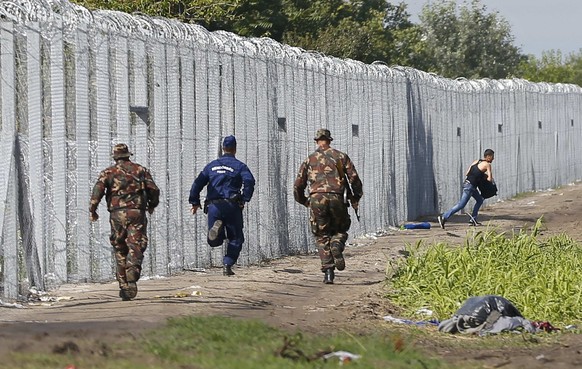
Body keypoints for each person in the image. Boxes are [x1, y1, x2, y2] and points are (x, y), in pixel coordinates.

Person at [89, 143, 160, 301]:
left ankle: (123, 284)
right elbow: (153, 189)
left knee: (119, 246)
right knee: (136, 243)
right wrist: (152, 204)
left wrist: (92, 210)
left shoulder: (108, 172)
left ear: (115, 157)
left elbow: (97, 190)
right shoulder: (140, 170)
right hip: (136, 212)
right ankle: (132, 271)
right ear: (128, 155)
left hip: (117, 214)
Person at [293, 128, 363, 284]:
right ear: (329, 140)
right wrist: (355, 197)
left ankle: (329, 272)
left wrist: (304, 201)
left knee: (321, 234)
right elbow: (354, 179)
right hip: (338, 198)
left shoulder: (309, 160)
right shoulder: (341, 157)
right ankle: (337, 245)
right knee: (340, 229)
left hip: (317, 198)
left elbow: (298, 185)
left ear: (317, 141)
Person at [189, 135, 255, 276]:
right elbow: (249, 181)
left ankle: (216, 233)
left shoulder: (211, 166)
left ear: (223, 148)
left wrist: (194, 202)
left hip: (214, 206)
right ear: (235, 149)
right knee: (236, 238)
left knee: (214, 242)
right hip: (232, 205)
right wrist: (244, 198)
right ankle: (227, 264)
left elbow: (197, 183)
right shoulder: (240, 166)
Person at [438, 149, 495, 229]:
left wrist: (479, 175)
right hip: (470, 187)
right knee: (461, 205)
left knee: (479, 200)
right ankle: (444, 216)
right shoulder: (487, 165)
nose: (493, 159)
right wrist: (486, 178)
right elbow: (489, 179)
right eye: (492, 156)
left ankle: (473, 220)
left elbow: (467, 173)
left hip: (468, 184)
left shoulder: (477, 161)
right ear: (488, 157)